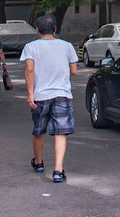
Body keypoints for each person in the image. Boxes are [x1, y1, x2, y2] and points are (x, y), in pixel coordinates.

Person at [20, 14, 78, 183]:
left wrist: (31, 93)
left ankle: (38, 163)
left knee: (39, 130)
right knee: (61, 132)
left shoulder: (31, 47)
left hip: (40, 95)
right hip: (62, 94)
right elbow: (73, 70)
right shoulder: (67, 46)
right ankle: (58, 171)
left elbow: (29, 71)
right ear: (55, 29)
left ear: (37, 30)